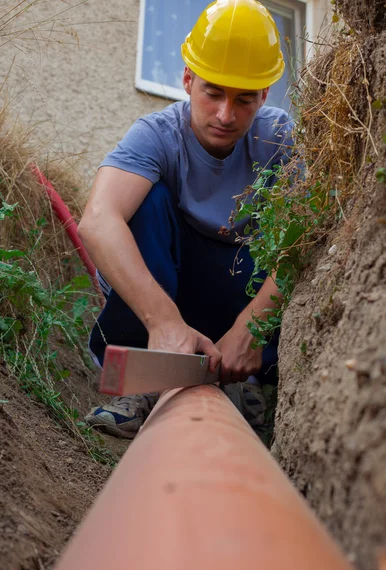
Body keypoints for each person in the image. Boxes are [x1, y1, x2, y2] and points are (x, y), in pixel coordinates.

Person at [79, 0, 293, 440]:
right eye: (213, 92)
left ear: (264, 96)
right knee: (145, 201)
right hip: (170, 301)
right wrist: (163, 323)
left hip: (241, 300)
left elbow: (306, 242)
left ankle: (248, 389)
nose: (225, 115)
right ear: (188, 79)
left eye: (244, 99)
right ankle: (143, 383)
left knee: (295, 235)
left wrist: (251, 330)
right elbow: (98, 220)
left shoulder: (282, 140)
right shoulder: (156, 135)